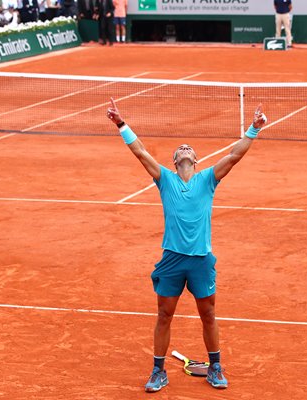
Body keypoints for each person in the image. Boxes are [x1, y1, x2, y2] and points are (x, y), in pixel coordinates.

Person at [106, 98, 268, 393]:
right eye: (179, 149)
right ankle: (158, 371)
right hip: (172, 259)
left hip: (201, 260)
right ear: (174, 161)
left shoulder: (208, 179)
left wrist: (253, 129)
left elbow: (233, 156)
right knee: (164, 314)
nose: (184, 149)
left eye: (188, 149)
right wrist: (120, 123)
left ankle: (215, 366)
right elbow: (140, 152)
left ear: (196, 160)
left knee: (208, 313)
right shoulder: (164, 180)